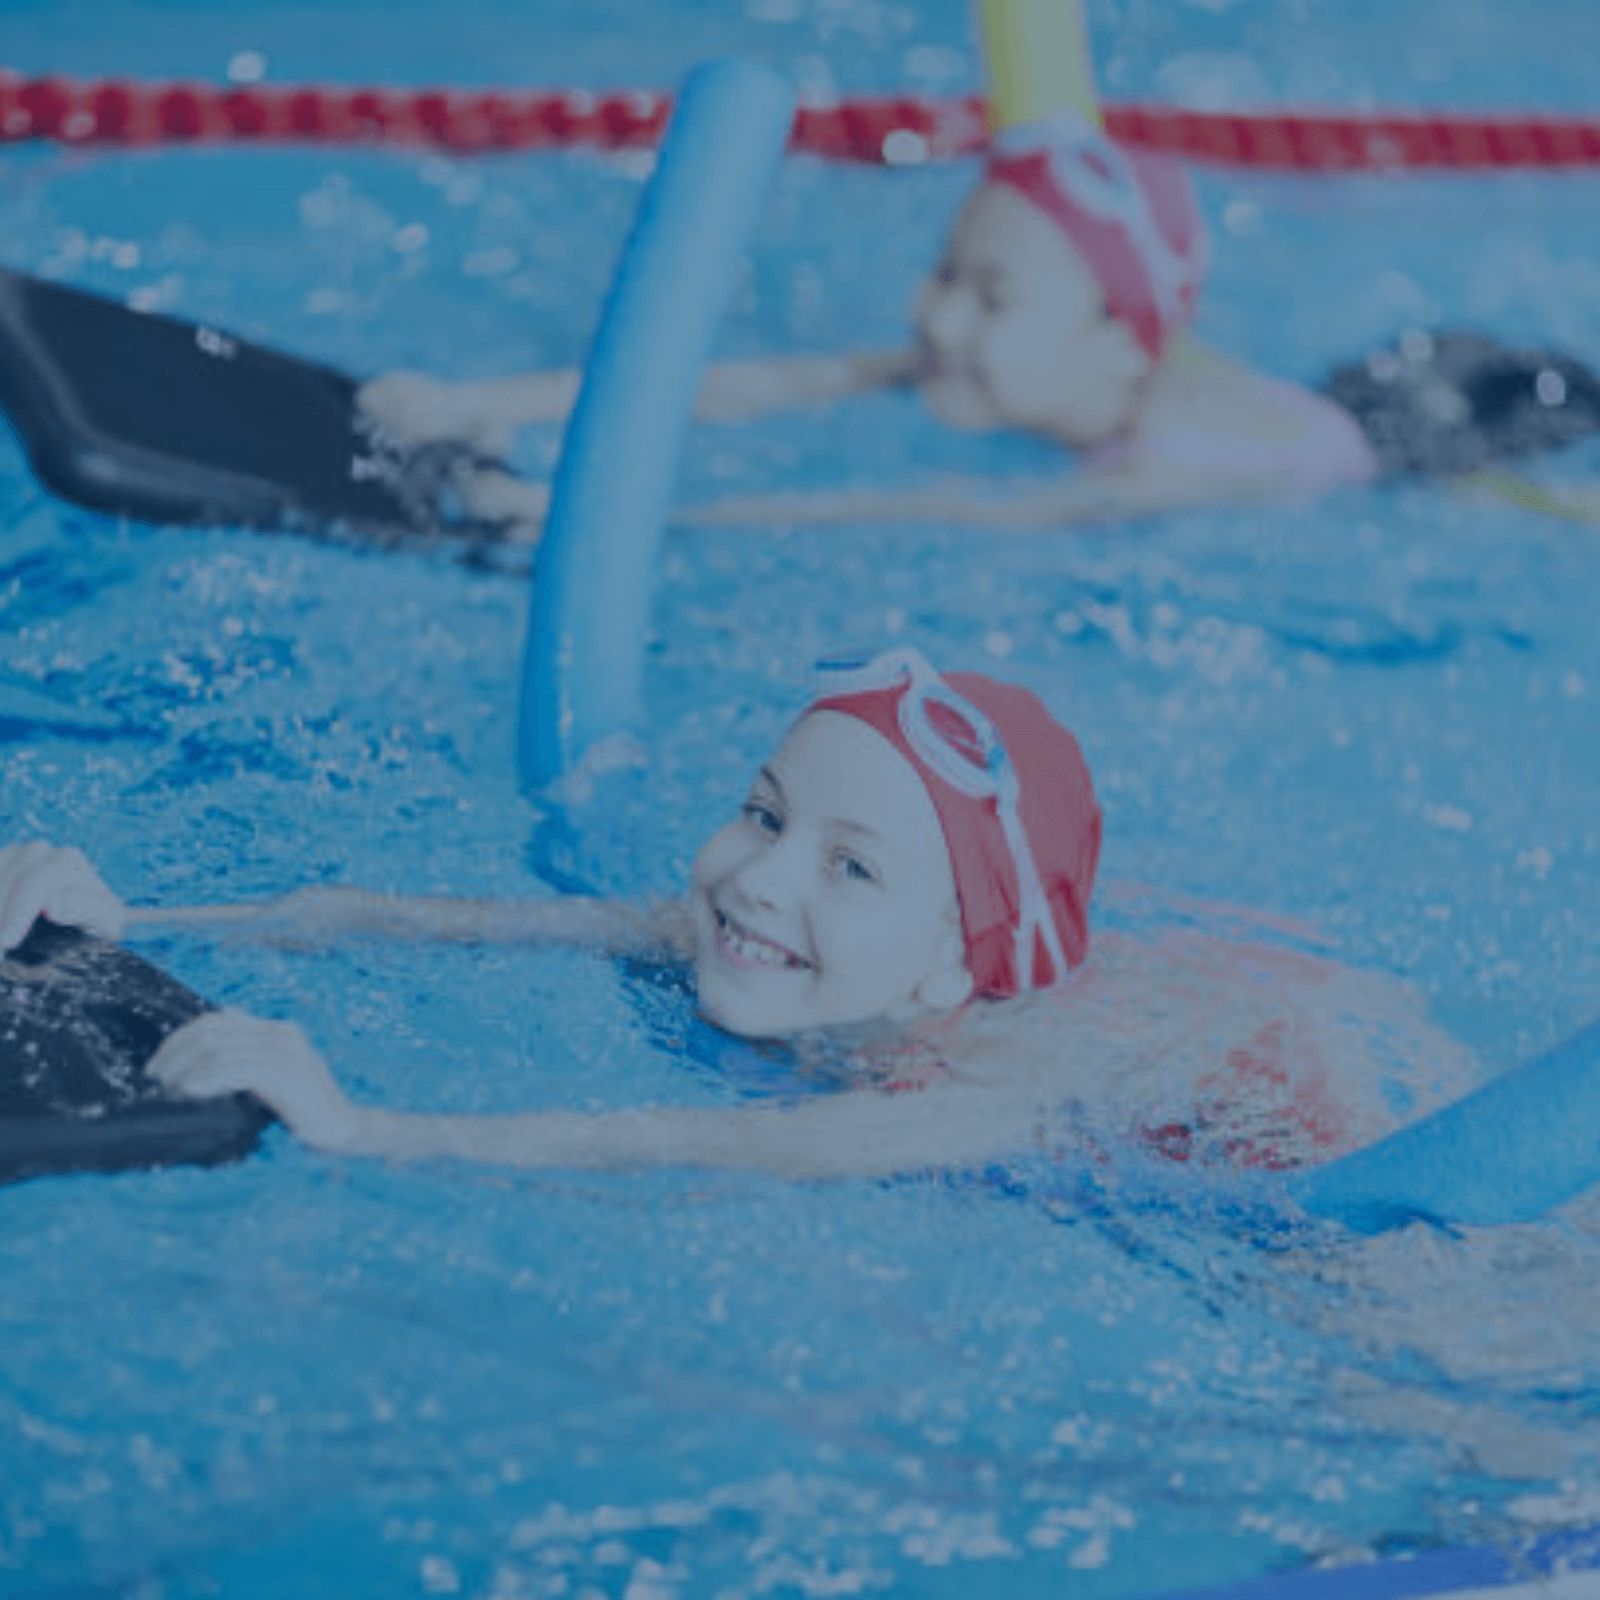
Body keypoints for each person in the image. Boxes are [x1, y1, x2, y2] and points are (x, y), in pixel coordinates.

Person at [0, 647, 1476, 1181]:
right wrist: (148, 910)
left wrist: (380, 1128)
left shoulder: (992, 1085)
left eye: (850, 864)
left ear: (950, 969)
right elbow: (422, 915)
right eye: (765, 813)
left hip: (1363, 1150)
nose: (759, 878)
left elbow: (727, 1142)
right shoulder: (779, 933)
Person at [360, 111, 1600, 533]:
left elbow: (893, 511)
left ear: (1119, 335)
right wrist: (480, 406)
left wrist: (597, 513)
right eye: (948, 270)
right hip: (1351, 379)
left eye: (990, 293)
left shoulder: (1155, 471)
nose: (932, 312)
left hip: (1440, 435)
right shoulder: (994, 354)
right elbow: (751, 384)